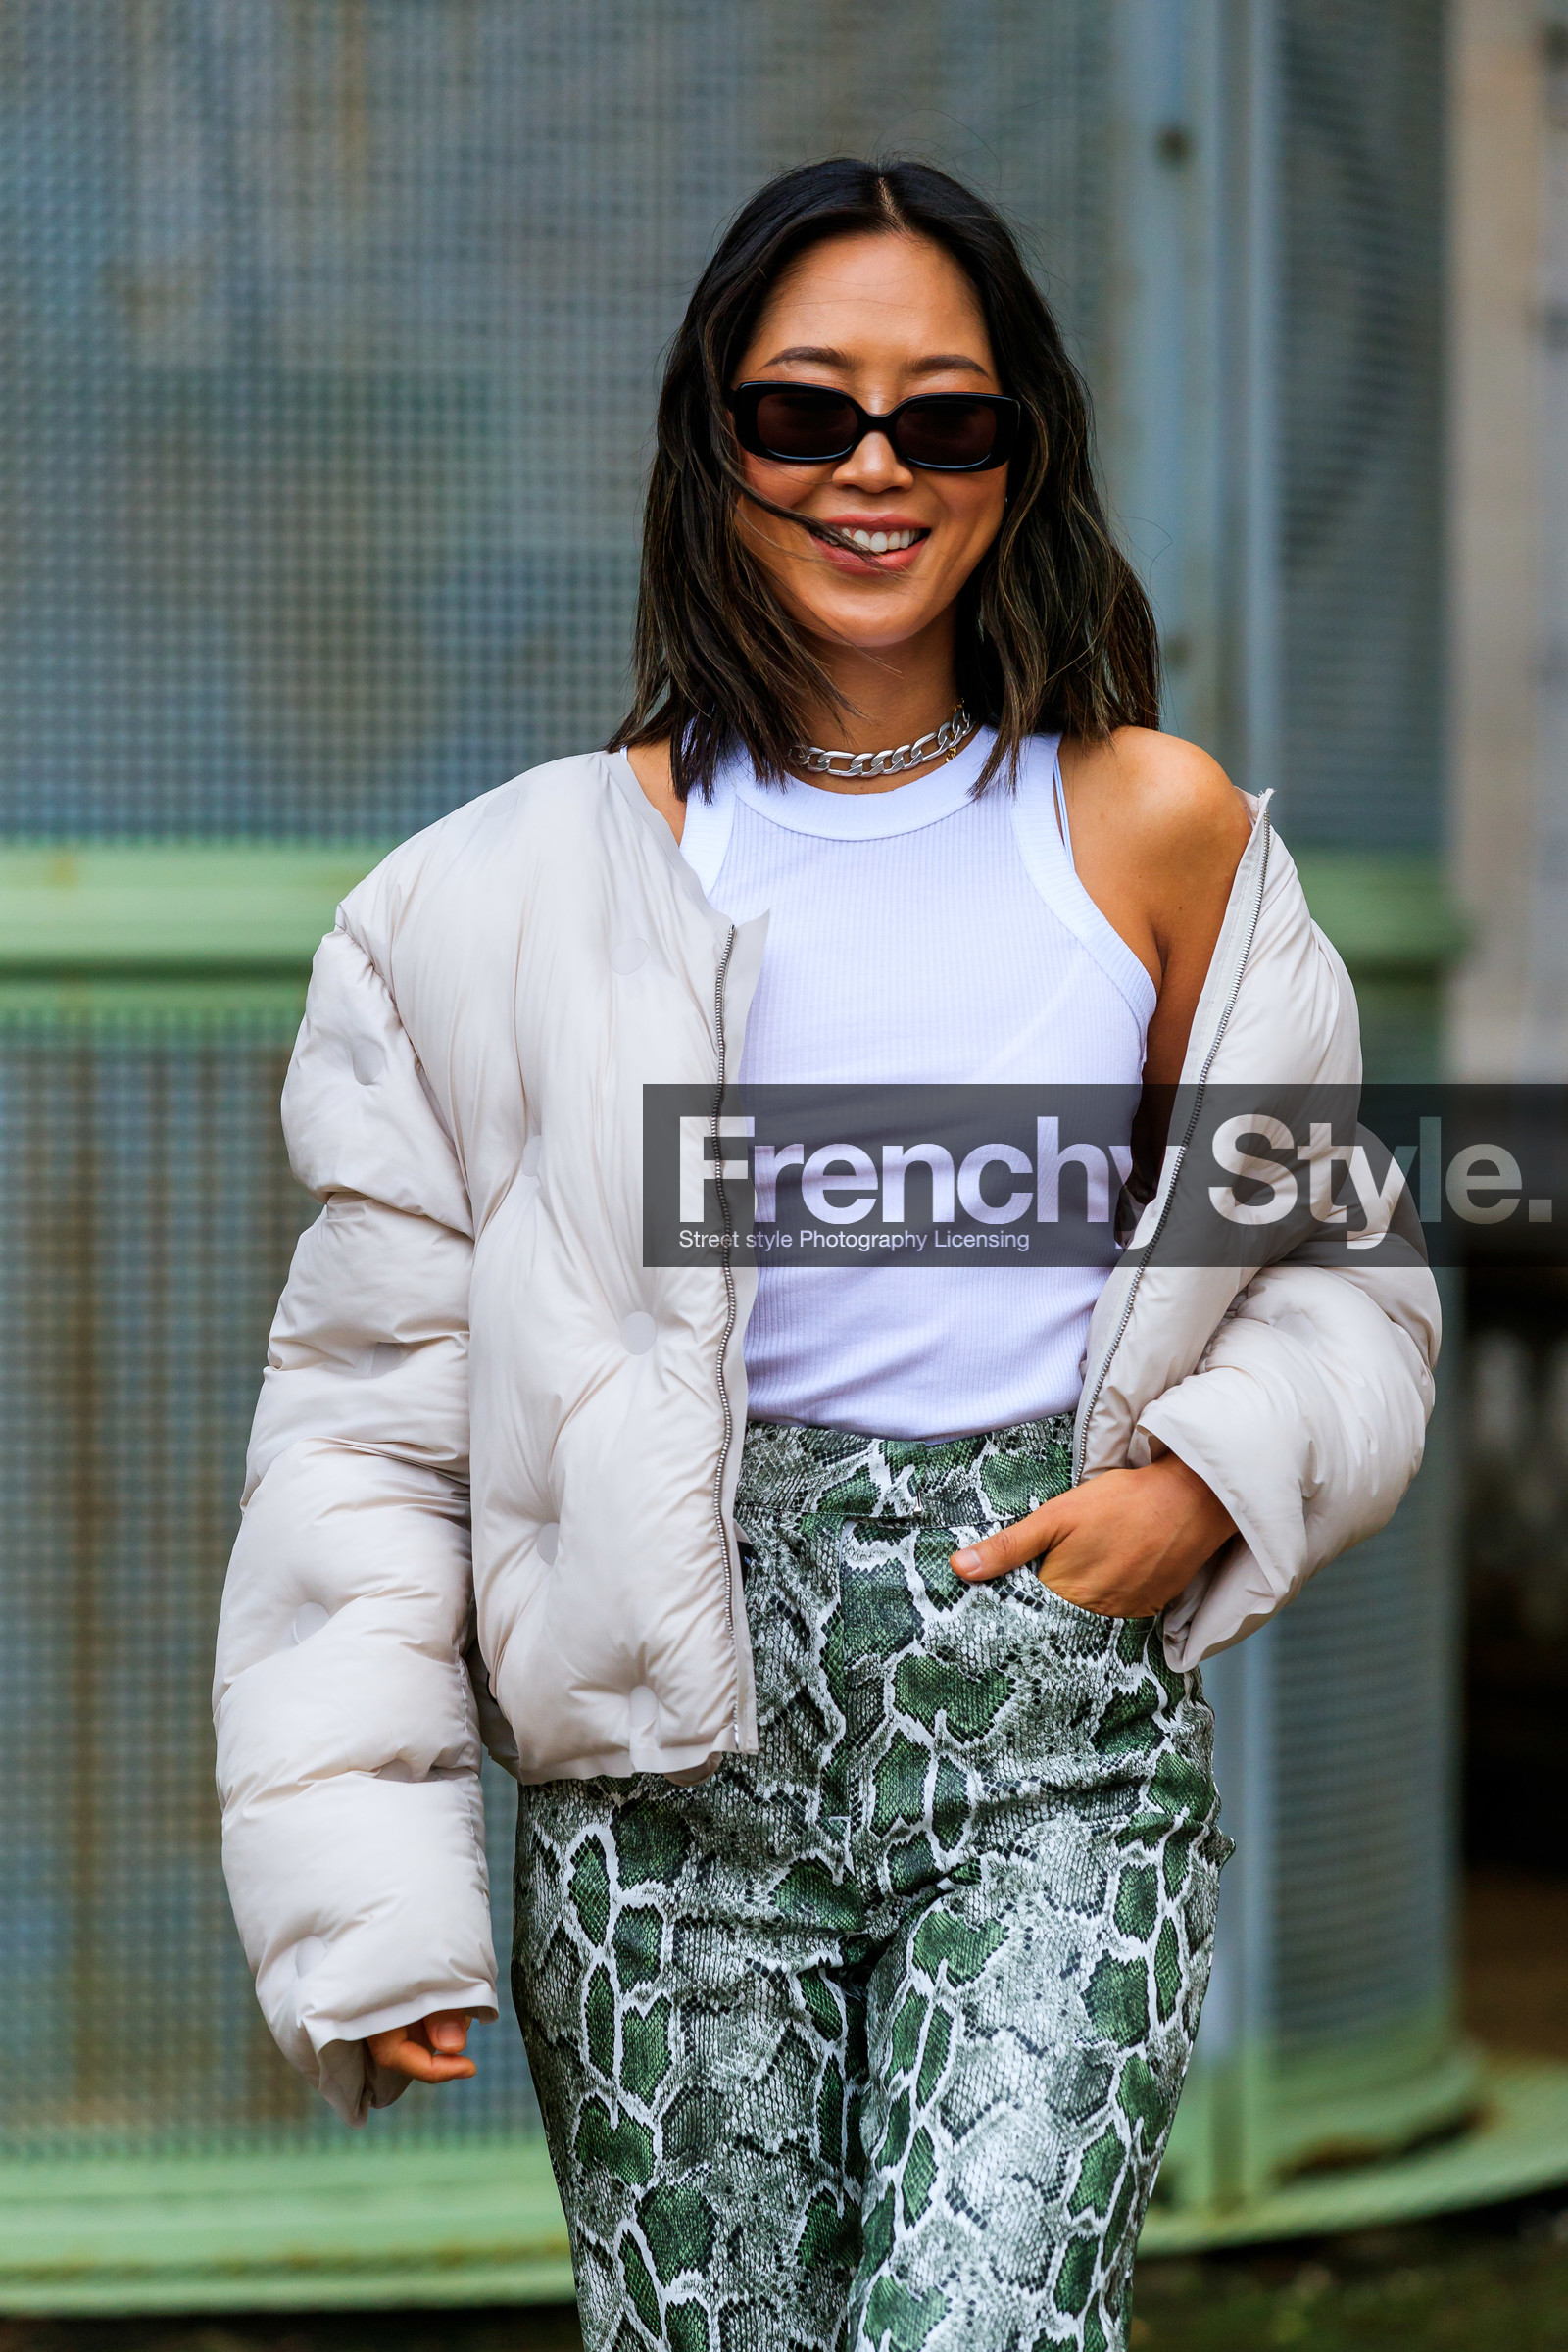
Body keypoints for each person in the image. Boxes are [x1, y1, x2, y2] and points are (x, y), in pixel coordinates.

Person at [215, 160, 1438, 2352]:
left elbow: (1343, 1273)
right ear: (712, 437)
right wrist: (365, 1908)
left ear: (1016, 455)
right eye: (806, 413)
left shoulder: (1157, 834)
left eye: (940, 418)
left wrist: (1201, 1483)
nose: (872, 468)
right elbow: (365, 1433)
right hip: (659, 1798)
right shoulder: (488, 903)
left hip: (1048, 1739)